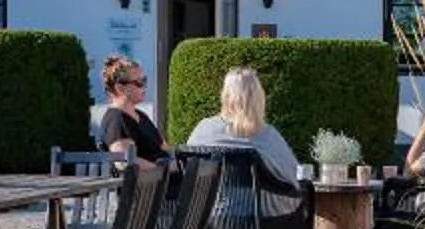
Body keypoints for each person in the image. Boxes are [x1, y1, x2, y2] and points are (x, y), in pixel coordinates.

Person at [183, 66, 302, 213]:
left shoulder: (203, 130)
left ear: (225, 96)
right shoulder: (267, 136)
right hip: (260, 223)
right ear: (259, 98)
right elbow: (295, 177)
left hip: (208, 220)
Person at [95, 54, 164, 160]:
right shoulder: (117, 119)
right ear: (120, 88)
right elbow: (124, 163)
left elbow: (164, 148)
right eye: (139, 82)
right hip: (150, 176)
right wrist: (165, 168)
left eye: (144, 80)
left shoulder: (141, 116)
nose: (144, 86)